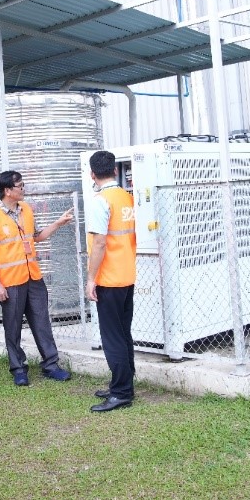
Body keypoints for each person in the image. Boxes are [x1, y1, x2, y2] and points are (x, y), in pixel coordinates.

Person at [0, 170, 75, 386]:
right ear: (7, 190)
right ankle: (18, 369)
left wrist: (58, 223)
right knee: (12, 327)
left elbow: (37, 237)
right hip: (10, 281)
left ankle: (51, 365)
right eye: (20, 186)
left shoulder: (27, 209)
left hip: (33, 277)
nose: (23, 189)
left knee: (42, 322)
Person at [85, 150, 137, 412]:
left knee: (112, 337)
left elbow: (99, 243)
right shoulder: (126, 197)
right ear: (115, 171)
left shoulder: (100, 201)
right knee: (123, 333)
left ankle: (121, 392)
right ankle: (125, 383)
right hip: (127, 274)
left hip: (108, 278)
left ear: (92, 174)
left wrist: (91, 279)